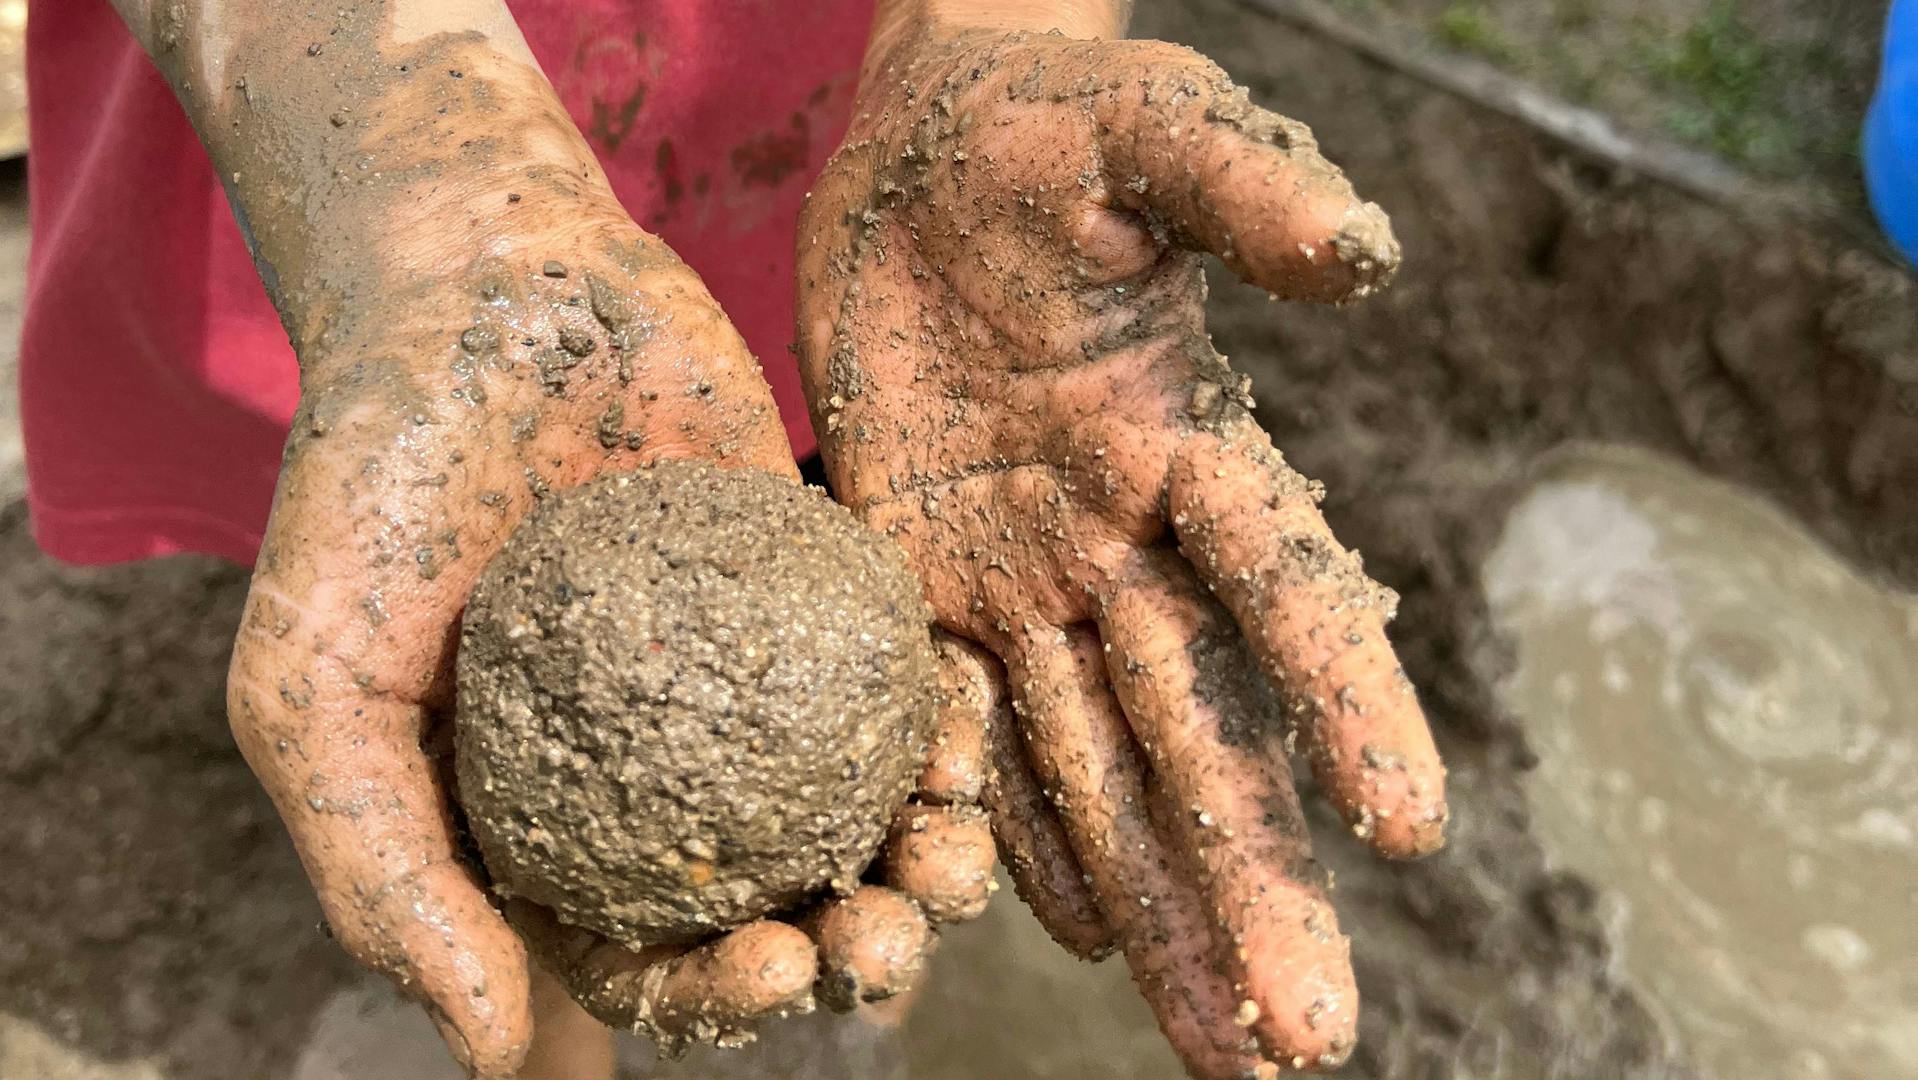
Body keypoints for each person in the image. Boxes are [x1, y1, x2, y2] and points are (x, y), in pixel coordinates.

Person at [22, 2, 1449, 1078]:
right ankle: (549, 1039)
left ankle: (848, 933)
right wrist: (420, 175)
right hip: (342, 122)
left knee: (872, 474)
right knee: (442, 574)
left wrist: (994, 32)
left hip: (846, 164)